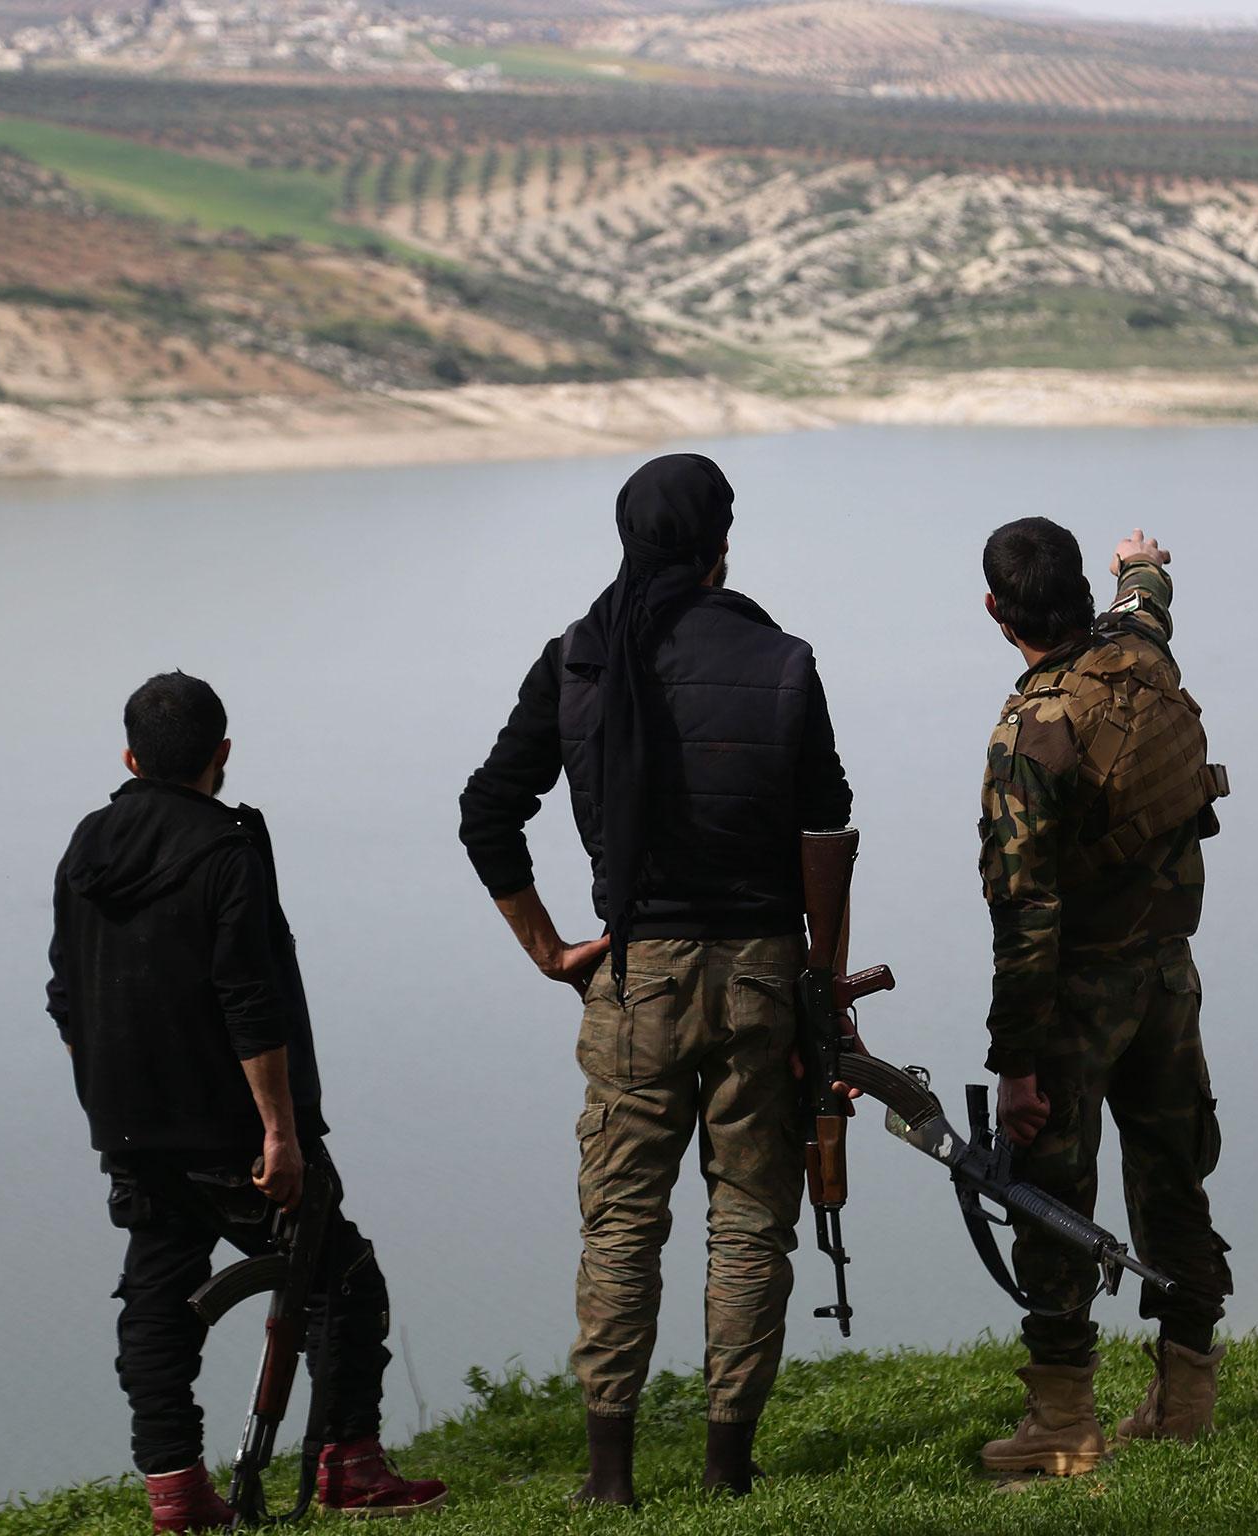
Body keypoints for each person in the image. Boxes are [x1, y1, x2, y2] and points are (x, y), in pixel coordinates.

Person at [458, 453, 852, 1504]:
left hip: (633, 978)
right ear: (720, 540)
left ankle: (609, 1478)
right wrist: (822, 981)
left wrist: (547, 948)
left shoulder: (577, 658)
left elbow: (487, 810)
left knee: (622, 1225)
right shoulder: (779, 660)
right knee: (749, 1223)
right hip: (762, 975)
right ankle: (727, 1469)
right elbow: (825, 825)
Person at [46, 672, 446, 1533]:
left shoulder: (87, 845)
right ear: (222, 754)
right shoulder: (227, 848)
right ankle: (348, 1467)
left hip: (132, 1128)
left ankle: (178, 1495)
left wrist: (108, 1096)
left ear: (129, 756)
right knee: (339, 1277)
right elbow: (247, 999)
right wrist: (280, 1131)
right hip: (234, 1126)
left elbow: (66, 999)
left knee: (156, 1302)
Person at [973, 520, 1234, 1477]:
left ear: (997, 613)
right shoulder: (1140, 658)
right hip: (1167, 980)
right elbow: (1149, 601)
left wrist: (1018, 1067)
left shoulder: (1031, 734)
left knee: (1049, 1197)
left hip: (1076, 1003)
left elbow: (1024, 914)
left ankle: (1062, 1425)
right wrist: (1142, 563)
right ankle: (1185, 1398)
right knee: (1174, 1176)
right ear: (1081, 592)